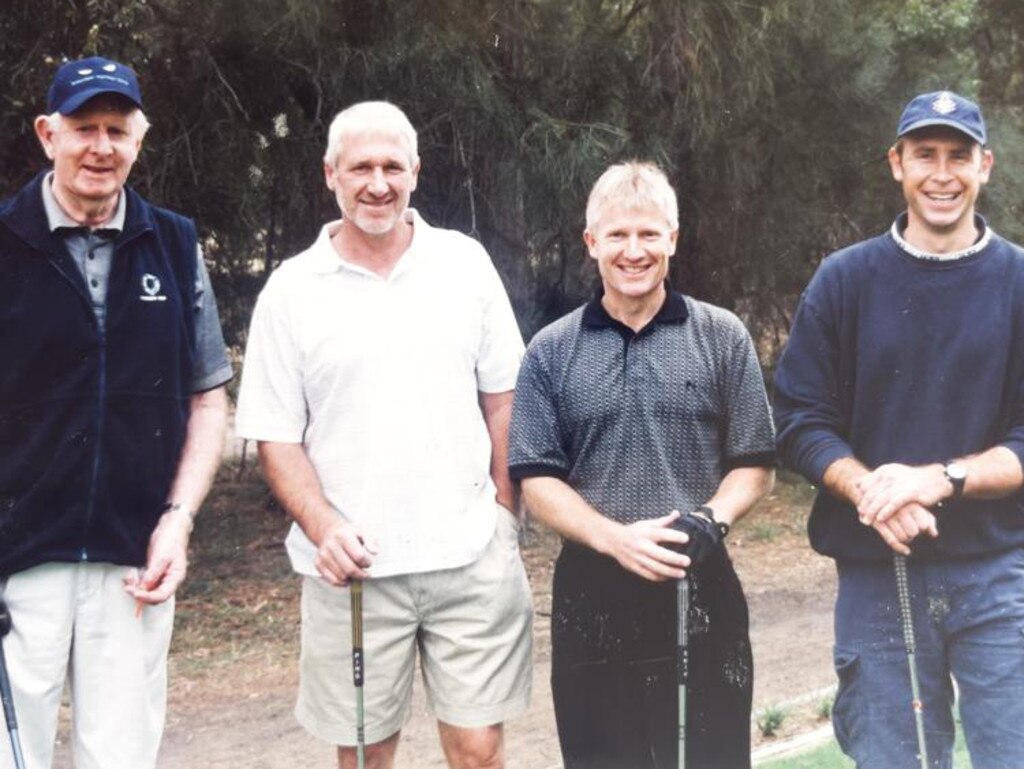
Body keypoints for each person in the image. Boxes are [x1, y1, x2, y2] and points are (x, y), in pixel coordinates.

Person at [234, 100, 533, 769]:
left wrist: (504, 514)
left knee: (480, 751)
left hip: (469, 556)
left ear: (416, 173)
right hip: (354, 572)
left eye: (392, 165)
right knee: (366, 756)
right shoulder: (291, 290)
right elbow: (277, 437)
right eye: (360, 166)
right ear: (330, 175)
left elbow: (505, 400)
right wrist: (324, 529)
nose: (377, 182)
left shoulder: (465, 263)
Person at [774, 91, 1024, 768]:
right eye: (924, 155)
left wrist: (937, 480)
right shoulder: (843, 280)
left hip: (998, 579)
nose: (941, 174)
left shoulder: (1018, 281)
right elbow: (800, 418)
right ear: (897, 163)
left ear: (986, 166)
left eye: (958, 157)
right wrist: (867, 491)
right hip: (876, 577)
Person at [0, 56, 231, 769]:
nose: (101, 146)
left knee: (121, 756)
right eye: (83, 128)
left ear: (140, 138)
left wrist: (178, 520)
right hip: (17, 555)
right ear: (47, 134)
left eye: (117, 130)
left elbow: (206, 397)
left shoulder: (175, 242)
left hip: (135, 553)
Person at [508, 161, 775, 769]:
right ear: (591, 242)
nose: (634, 251)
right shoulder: (551, 350)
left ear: (673, 240)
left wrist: (712, 518)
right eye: (619, 235)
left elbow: (756, 463)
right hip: (593, 590)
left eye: (650, 234)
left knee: (709, 758)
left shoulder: (721, 335)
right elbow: (537, 478)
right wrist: (615, 540)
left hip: (699, 580)